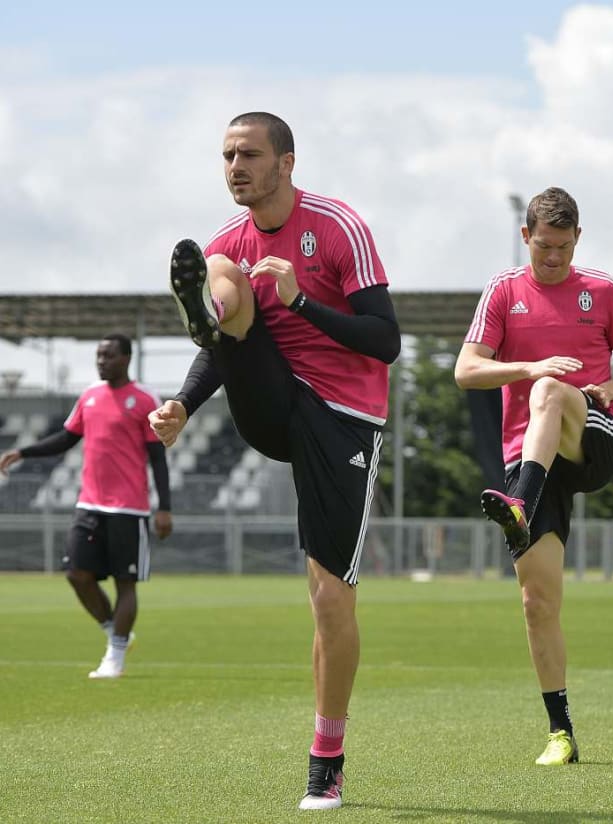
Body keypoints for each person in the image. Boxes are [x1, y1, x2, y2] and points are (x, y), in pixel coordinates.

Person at [148, 111, 400, 811]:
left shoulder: (338, 226)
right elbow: (220, 350)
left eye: (249, 154)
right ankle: (205, 305)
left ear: (286, 162)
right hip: (272, 398)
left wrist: (298, 300)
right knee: (222, 269)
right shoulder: (229, 239)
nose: (235, 166)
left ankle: (327, 757)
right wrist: (182, 406)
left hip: (343, 418)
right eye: (227, 155)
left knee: (329, 600)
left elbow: (386, 341)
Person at [454, 187, 613, 765]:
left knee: (547, 393)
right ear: (525, 238)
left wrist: (609, 389)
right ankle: (560, 732)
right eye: (544, 248)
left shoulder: (602, 291)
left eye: (563, 248)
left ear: (578, 240)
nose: (554, 259)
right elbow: (467, 370)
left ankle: (518, 504)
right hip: (530, 456)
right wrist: (530, 365)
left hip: (591, 437)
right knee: (537, 601)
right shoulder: (504, 291)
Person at [0, 333, 172, 678]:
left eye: (108, 356)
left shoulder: (144, 399)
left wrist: (164, 507)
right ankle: (115, 632)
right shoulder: (90, 396)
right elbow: (67, 437)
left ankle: (116, 657)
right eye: (98, 356)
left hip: (129, 508)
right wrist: (24, 452)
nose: (100, 362)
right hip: (89, 504)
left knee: (126, 583)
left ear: (125, 358)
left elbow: (158, 457)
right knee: (77, 574)